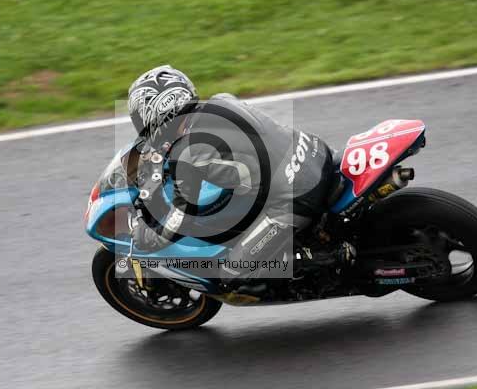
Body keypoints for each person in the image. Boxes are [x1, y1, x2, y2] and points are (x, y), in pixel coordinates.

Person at [127, 65, 350, 294]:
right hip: (315, 152)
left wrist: (146, 237)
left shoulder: (186, 153)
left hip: (298, 193)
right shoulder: (220, 101)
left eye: (140, 119)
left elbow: (180, 218)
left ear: (158, 112)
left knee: (232, 274)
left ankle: (333, 256)